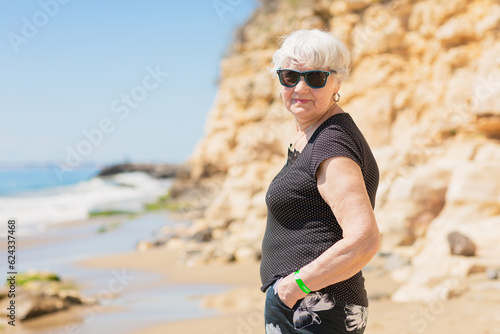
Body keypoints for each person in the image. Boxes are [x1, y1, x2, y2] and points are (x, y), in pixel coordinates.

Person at [260, 29, 380, 334]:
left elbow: (364, 239)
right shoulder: (313, 135)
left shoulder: (332, 144)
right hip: (306, 304)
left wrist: (293, 287)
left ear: (337, 82)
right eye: (289, 76)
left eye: (315, 77)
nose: (300, 87)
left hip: (315, 308)